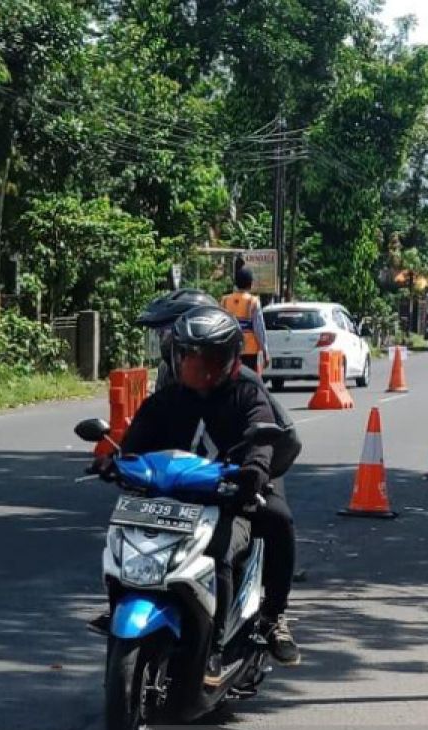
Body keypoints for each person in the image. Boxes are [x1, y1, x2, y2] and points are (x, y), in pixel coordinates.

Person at [116, 307, 301, 684]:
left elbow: (262, 435)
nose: (199, 368)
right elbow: (134, 444)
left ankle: (264, 622)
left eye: (210, 359)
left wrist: (255, 471)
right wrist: (114, 463)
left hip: (233, 493)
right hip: (177, 497)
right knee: (125, 533)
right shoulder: (167, 399)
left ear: (230, 359)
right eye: (191, 357)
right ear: (177, 356)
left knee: (268, 525)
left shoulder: (248, 392)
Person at [221, 267, 269, 374]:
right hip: (250, 351)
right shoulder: (253, 301)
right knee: (250, 382)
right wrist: (265, 352)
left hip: (231, 349)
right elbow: (259, 329)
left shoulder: (225, 301)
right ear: (250, 284)